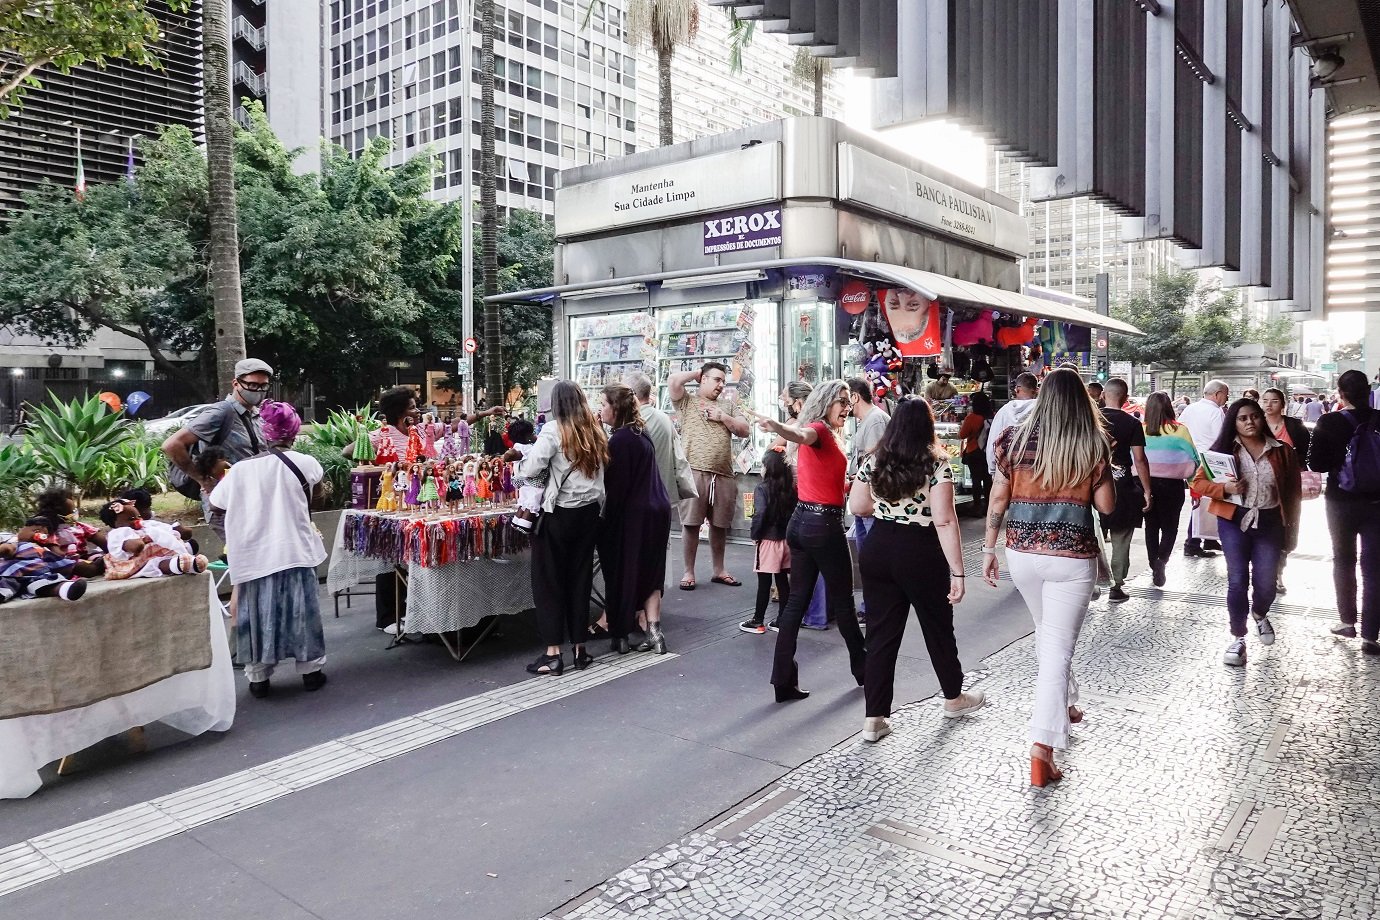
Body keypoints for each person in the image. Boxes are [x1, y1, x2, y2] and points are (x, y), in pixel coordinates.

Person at [982, 368, 1116, 787]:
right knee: (1056, 650)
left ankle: (1067, 703)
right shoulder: (1094, 443)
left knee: (1047, 633)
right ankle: (1042, 747)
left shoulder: (1012, 440)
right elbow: (1107, 507)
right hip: (1071, 558)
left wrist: (987, 547)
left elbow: (998, 496)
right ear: (1083, 401)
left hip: (1022, 553)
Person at [850, 397, 985, 743]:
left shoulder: (874, 459)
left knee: (880, 636)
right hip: (920, 550)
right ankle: (954, 698)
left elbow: (858, 505)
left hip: (879, 546)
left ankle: (874, 719)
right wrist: (958, 571)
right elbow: (943, 519)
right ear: (927, 426)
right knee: (937, 628)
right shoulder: (937, 464)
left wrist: (888, 505)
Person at [755, 379, 866, 702]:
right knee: (843, 601)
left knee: (795, 603)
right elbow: (800, 434)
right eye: (842, 402)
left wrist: (846, 486)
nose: (847, 408)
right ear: (826, 401)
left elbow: (822, 475)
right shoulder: (817, 429)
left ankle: (783, 680)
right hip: (821, 525)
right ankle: (863, 669)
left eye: (849, 402)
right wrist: (776, 424)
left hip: (802, 522)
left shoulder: (826, 434)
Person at [209, 402, 329, 698]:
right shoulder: (306, 463)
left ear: (264, 432)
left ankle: (258, 678)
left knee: (256, 616)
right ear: (294, 432)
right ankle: (310, 671)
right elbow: (318, 494)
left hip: (252, 555)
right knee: (302, 612)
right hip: (294, 550)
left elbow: (217, 504)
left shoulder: (239, 471)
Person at [1191, 399, 1301, 667]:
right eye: (1243, 418)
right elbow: (1198, 482)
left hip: (1270, 522)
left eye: (1254, 416)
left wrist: (1292, 533)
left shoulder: (1282, 451)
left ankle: (1260, 612)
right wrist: (1225, 489)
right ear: (1234, 423)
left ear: (1262, 418)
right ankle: (1238, 637)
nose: (1250, 422)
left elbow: (1293, 494)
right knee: (1238, 579)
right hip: (1233, 521)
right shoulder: (1222, 452)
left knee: (1266, 583)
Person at [514, 380, 607, 675]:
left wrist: (518, 467)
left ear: (556, 404)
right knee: (580, 579)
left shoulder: (554, 430)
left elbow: (531, 468)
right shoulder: (595, 430)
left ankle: (553, 652)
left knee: (549, 581)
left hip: (559, 515)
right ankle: (580, 649)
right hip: (590, 514)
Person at [1308, 369, 1380, 654]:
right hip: (1377, 502)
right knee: (1374, 568)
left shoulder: (1329, 421)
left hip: (1341, 502)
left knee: (1344, 560)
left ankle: (1347, 622)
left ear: (1341, 392)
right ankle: (1371, 635)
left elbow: (1315, 464)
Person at [597, 383, 672, 655]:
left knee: (623, 572)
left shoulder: (619, 440)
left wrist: (604, 524)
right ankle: (654, 632)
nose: (600, 409)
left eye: (603, 404)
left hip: (634, 514)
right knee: (651, 572)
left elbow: (616, 490)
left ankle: (620, 635)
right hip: (657, 510)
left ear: (615, 408)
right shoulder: (641, 432)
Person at [668, 361, 752, 590]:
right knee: (691, 523)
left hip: (724, 473)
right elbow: (674, 381)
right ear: (703, 380)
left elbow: (745, 430)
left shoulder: (728, 405)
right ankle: (688, 571)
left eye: (723, 381)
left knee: (720, 524)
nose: (721, 385)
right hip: (694, 471)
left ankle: (719, 569)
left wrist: (723, 417)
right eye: (716, 379)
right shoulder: (688, 401)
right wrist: (697, 372)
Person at [162, 358, 272, 530]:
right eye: (252, 385)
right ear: (236, 383)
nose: (258, 390)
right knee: (242, 554)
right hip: (225, 503)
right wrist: (202, 480)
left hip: (251, 500)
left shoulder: (257, 415)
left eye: (263, 386)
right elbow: (172, 445)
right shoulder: (221, 411)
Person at [1098, 378, 1152, 601]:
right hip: (1123, 488)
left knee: (1093, 538)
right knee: (1121, 538)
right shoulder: (1132, 423)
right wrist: (1147, 490)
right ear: (1126, 397)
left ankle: (1090, 584)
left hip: (1093, 487)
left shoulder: (1091, 420)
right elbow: (1139, 459)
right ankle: (1116, 586)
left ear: (1103, 395)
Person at [1141, 392, 1199, 587]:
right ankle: (1161, 560)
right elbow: (1194, 459)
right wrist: (1194, 487)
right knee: (1170, 527)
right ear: (1169, 407)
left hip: (1146, 484)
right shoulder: (1180, 430)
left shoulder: (1141, 430)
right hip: (1173, 486)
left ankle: (1152, 562)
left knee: (1151, 526)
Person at [846, 377, 890, 623]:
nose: (843, 406)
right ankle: (871, 604)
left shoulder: (874, 421)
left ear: (855, 397)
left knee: (872, 555)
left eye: (845, 399)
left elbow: (876, 464)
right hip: (866, 499)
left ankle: (874, 605)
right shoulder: (869, 420)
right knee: (866, 555)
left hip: (873, 501)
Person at [1260, 387, 1310, 594]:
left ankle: (1278, 572)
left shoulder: (1294, 426)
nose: (1269, 405)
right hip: (1262, 488)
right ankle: (1269, 573)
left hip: (1289, 489)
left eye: (1274, 401)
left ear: (1283, 404)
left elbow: (1304, 451)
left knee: (1286, 530)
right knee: (1264, 531)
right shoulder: (1255, 424)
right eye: (1265, 400)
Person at [741, 448, 796, 634]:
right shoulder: (790, 489)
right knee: (782, 581)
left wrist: (755, 535)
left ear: (769, 468)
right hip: (786, 541)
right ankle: (782, 620)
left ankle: (758, 620)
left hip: (768, 541)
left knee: (764, 582)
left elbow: (760, 514)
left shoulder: (762, 489)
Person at [1179, 379, 1230, 556]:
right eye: (1225, 394)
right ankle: (1191, 544)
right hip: (1209, 464)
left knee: (1200, 501)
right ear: (1217, 394)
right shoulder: (1216, 412)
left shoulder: (1190, 408)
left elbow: (1180, 431)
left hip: (1191, 462)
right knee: (1204, 502)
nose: (1226, 398)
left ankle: (1208, 539)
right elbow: (1221, 440)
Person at [625, 372, 682, 507]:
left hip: (641, 497)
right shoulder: (664, 418)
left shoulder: (633, 422)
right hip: (663, 495)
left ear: (631, 394)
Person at [987, 373, 1039, 475]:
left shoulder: (1004, 411)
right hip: (1035, 473)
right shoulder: (1043, 411)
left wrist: (993, 470)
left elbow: (992, 444)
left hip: (1006, 472)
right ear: (1036, 390)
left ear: (1017, 389)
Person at [958, 390, 994, 513]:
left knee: (976, 480)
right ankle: (989, 506)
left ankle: (977, 506)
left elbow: (962, 435)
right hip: (988, 452)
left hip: (974, 451)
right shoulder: (992, 416)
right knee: (988, 480)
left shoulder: (972, 418)